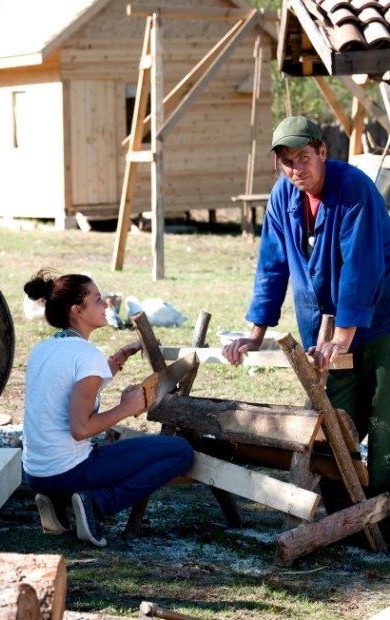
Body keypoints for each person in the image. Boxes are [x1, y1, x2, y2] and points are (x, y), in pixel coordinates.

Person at [222, 115, 390, 530]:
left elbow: (361, 267)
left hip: (380, 324)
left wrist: (344, 334)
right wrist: (255, 333)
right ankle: (344, 512)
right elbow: (272, 266)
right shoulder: (283, 198)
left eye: (303, 157)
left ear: (322, 153)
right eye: (287, 161)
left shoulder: (354, 189)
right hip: (328, 335)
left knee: (385, 421)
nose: (297, 168)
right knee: (332, 420)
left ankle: (384, 518)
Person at [22, 269, 194, 547]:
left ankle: (57, 502)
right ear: (77, 310)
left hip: (35, 474)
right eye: (98, 300)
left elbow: (73, 386)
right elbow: (80, 429)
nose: (106, 306)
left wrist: (120, 357)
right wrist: (125, 408)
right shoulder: (86, 355)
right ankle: (97, 505)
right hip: (67, 471)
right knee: (180, 453)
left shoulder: (43, 349)